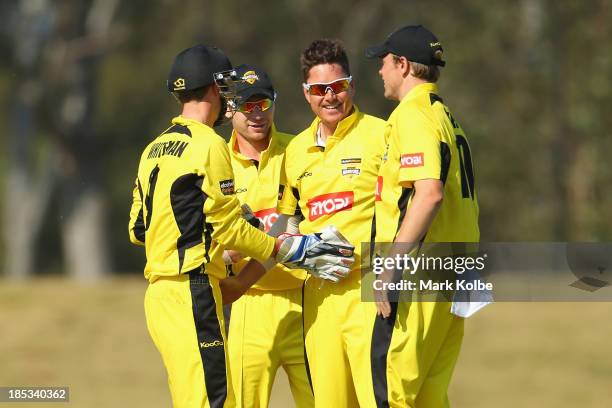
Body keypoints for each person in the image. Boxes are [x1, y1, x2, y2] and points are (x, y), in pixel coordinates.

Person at [128, 44, 354, 408]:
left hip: (161, 295)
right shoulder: (208, 145)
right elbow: (230, 229)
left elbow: (139, 231)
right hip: (195, 287)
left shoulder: (154, 148)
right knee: (213, 401)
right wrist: (284, 248)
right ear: (216, 90)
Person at [366, 25, 480, 407]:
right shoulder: (445, 113)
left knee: (392, 390)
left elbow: (428, 195)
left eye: (383, 63)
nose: (379, 72)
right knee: (430, 395)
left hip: (419, 274)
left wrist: (388, 267)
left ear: (402, 64)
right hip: (456, 271)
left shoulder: (411, 115)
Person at [277, 39, 387, 407]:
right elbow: (289, 220)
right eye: (320, 89)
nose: (330, 97)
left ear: (352, 86)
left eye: (338, 87)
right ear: (306, 93)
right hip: (319, 297)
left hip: (370, 292)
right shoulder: (294, 151)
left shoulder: (381, 134)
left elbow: (406, 208)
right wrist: (291, 248)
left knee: (379, 399)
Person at [223, 64, 313, 408]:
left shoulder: (300, 149)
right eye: (247, 106)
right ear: (230, 109)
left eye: (264, 104)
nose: (257, 115)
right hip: (249, 302)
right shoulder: (216, 160)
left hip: (307, 301)